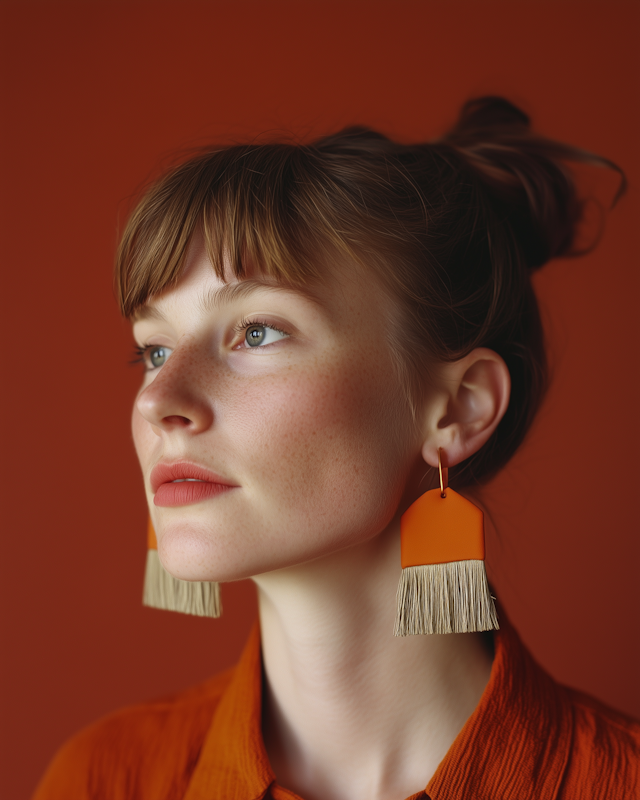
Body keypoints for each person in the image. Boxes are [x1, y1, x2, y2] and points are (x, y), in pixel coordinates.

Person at [34, 97, 639, 800]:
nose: (157, 401)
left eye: (256, 331)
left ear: (461, 408)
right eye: (155, 349)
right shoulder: (101, 782)